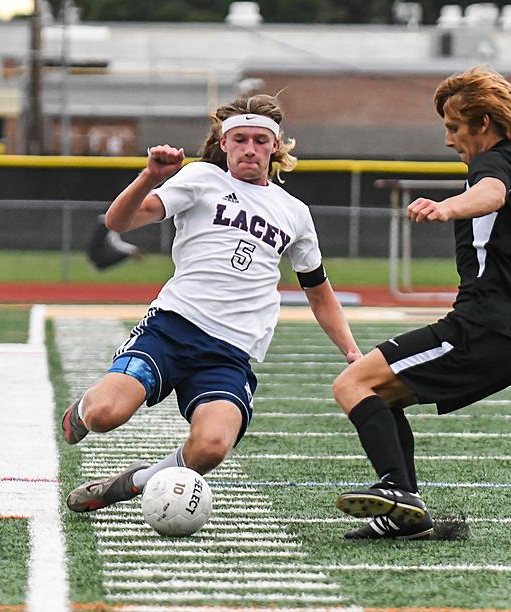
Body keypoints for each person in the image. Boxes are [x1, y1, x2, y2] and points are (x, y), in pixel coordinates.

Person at [61, 94, 362, 513]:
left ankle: (134, 483)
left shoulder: (294, 212)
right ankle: (81, 411)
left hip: (230, 353)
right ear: (224, 142)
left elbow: (319, 291)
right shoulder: (201, 177)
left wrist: (350, 349)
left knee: (212, 446)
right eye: (240, 139)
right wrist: (149, 176)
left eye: (260, 140)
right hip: (170, 330)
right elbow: (119, 221)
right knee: (105, 416)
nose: (250, 149)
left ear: (275, 147)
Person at [331, 67, 511, 540]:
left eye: (453, 126)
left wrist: (448, 206)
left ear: (483, 123)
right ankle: (403, 513)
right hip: (508, 342)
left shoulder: (494, 166)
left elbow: (490, 193)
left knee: (351, 384)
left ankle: (398, 491)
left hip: (479, 331)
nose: (448, 139)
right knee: (381, 392)